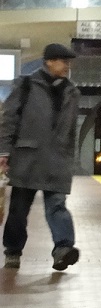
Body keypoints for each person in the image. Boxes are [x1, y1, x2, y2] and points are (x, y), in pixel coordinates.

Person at [0, 43, 80, 270]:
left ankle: (63, 249)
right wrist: (4, 151)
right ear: (49, 61)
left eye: (68, 63)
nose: (67, 67)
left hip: (57, 161)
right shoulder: (25, 85)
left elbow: (71, 131)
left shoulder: (72, 91)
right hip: (28, 158)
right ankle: (13, 250)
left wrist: (69, 158)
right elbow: (9, 120)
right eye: (64, 62)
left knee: (57, 206)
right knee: (19, 209)